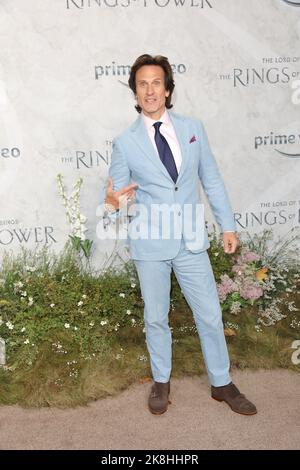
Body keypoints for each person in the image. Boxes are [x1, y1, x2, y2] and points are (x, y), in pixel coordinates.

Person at [104, 54, 257, 416]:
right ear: (135, 92)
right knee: (156, 317)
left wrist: (228, 225)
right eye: (142, 84)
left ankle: (221, 383)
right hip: (150, 242)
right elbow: (117, 194)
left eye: (156, 82)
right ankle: (161, 381)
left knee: (209, 314)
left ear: (168, 89)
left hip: (190, 240)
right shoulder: (124, 142)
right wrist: (112, 202)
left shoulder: (193, 128)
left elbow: (212, 179)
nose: (150, 90)